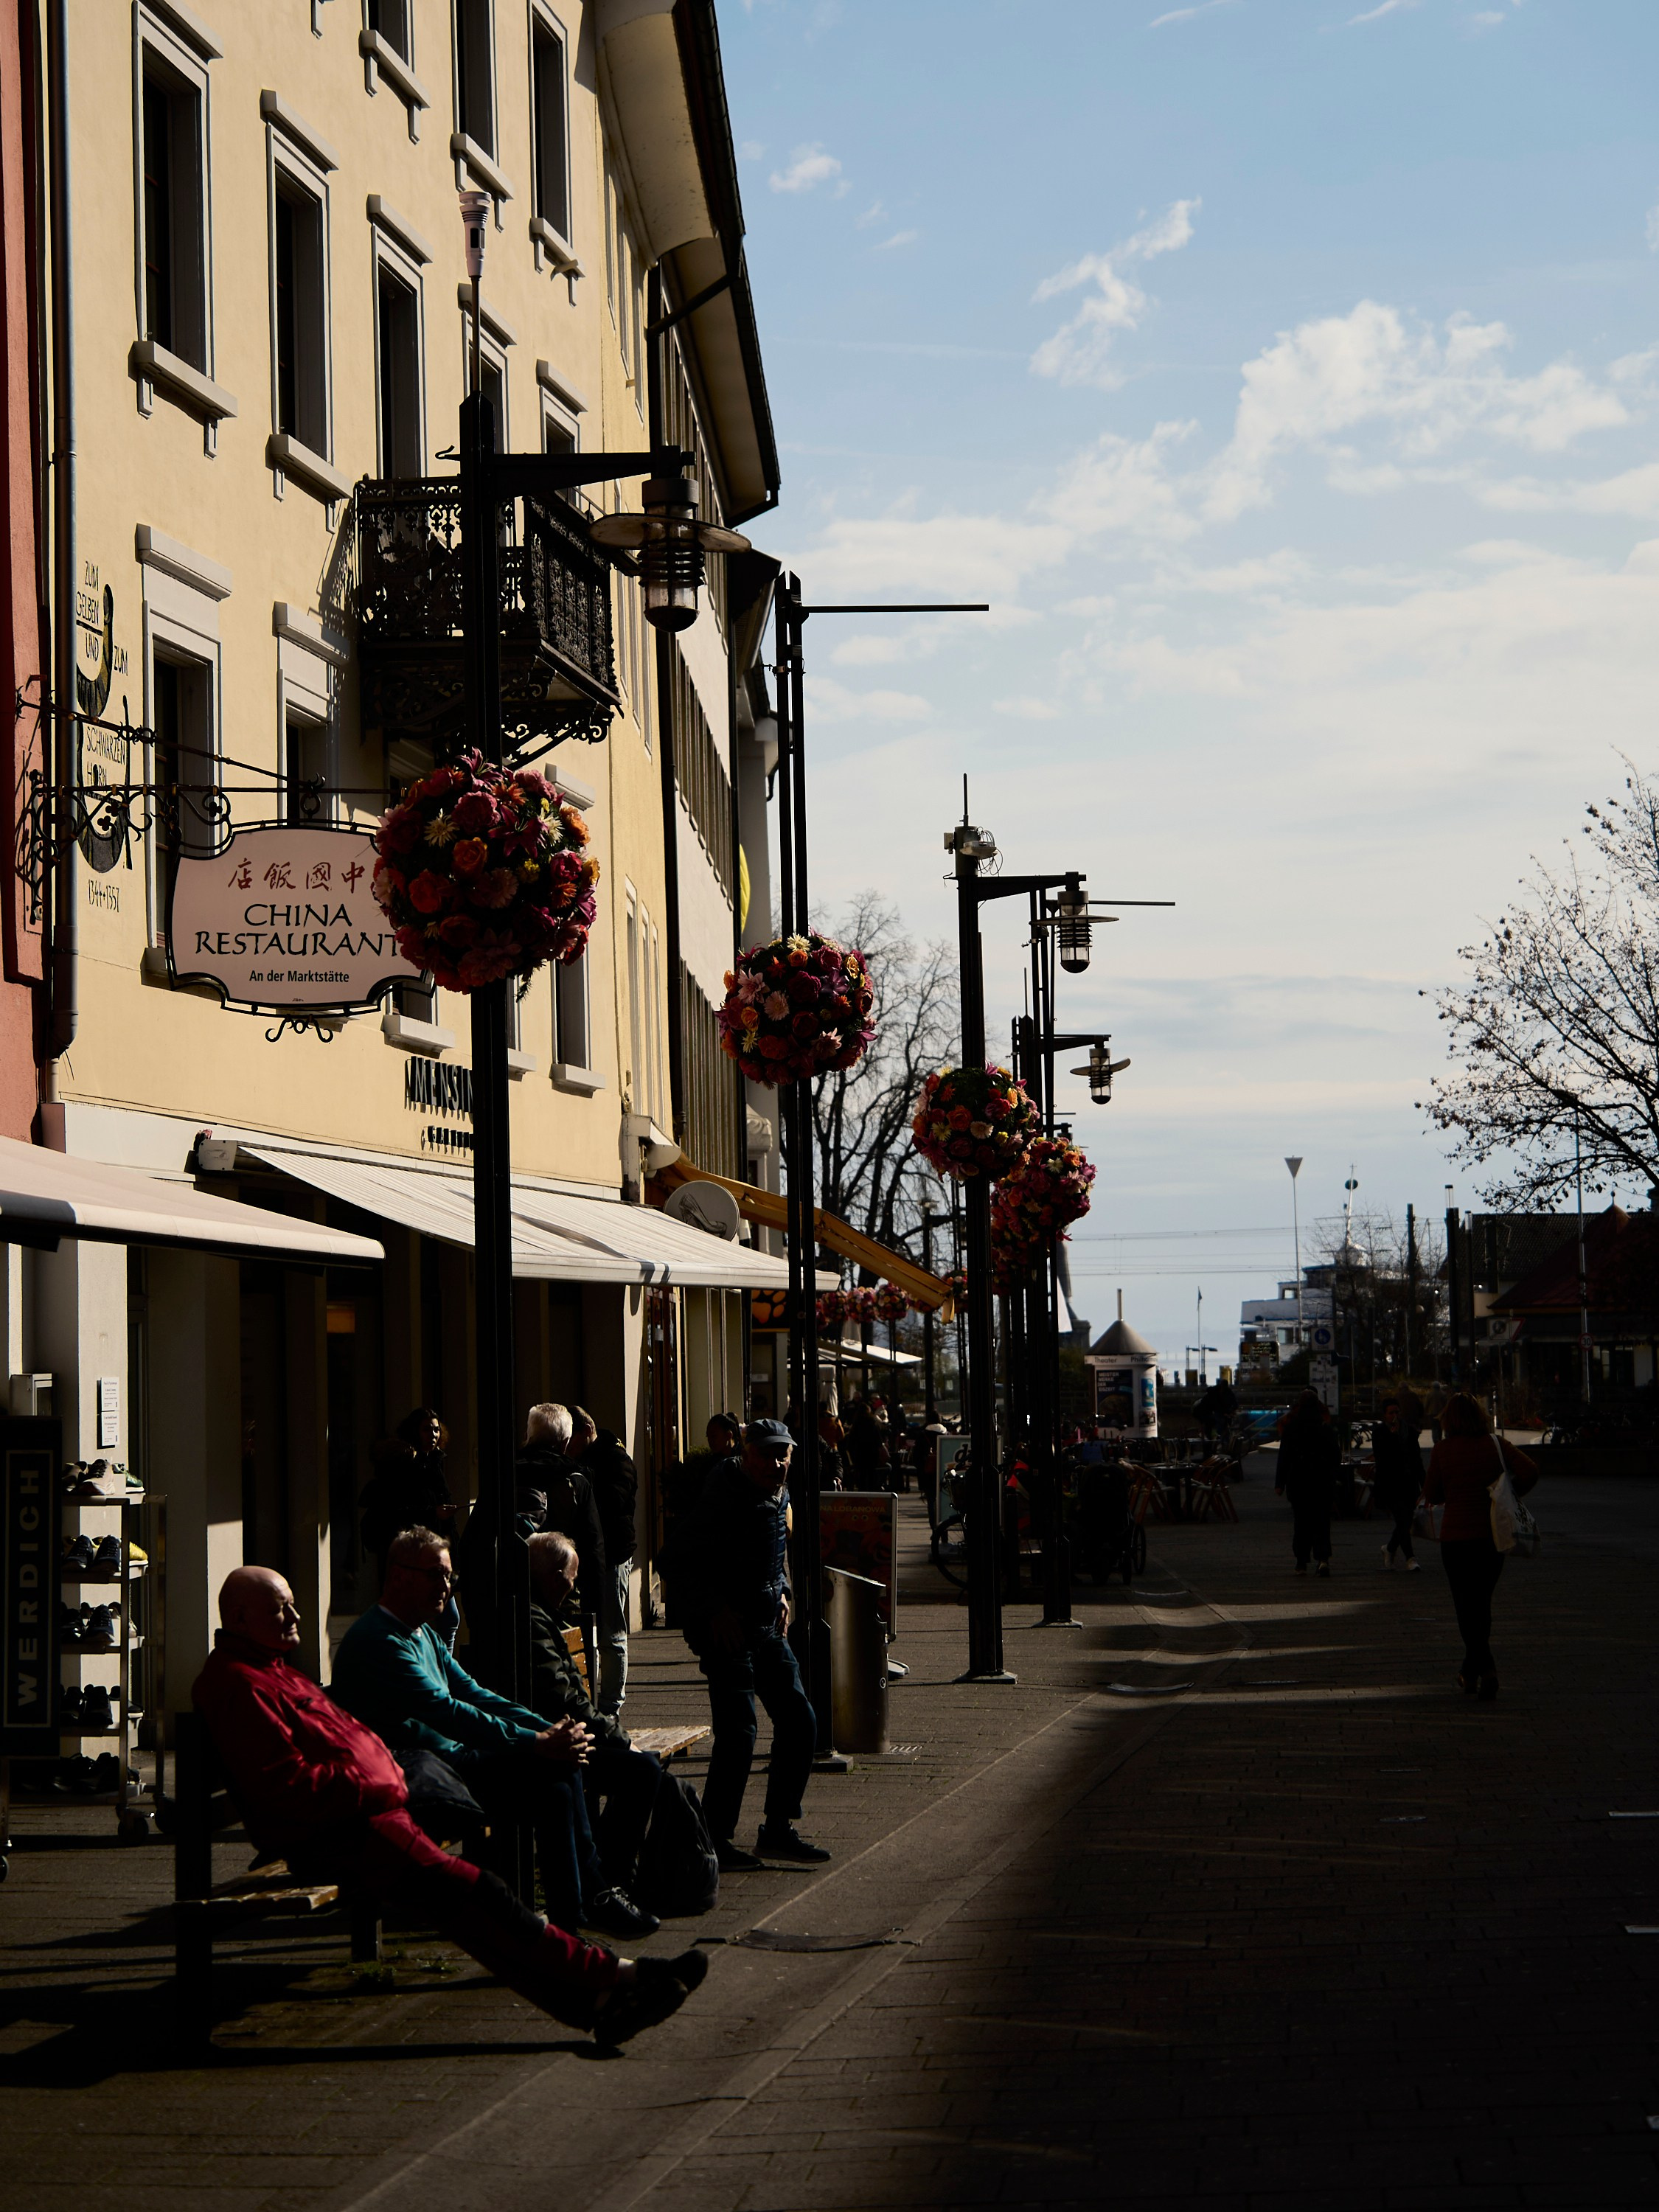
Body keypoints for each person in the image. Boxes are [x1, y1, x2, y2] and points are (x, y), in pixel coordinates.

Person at [192, 1565, 704, 2047]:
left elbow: (462, 1696)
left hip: (372, 1814)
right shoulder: (240, 1682)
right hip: (341, 1833)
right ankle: (620, 1974)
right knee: (479, 1896)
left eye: (292, 1605)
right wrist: (380, 1776)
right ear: (239, 1617)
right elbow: (286, 1785)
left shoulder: (276, 1668)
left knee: (472, 1905)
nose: (295, 1616)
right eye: (280, 1608)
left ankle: (597, 2002)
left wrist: (538, 1734)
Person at [330, 1526, 656, 1940]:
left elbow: (473, 1692)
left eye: (449, 1576)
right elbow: (447, 1712)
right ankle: (581, 1912)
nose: (446, 1586)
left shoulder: (422, 1631)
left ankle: (581, 1911)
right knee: (555, 1777)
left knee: (565, 1773)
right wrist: (537, 1742)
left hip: (450, 1763)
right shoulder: (380, 1639)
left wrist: (548, 1729)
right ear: (397, 1576)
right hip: (416, 1777)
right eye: (435, 1575)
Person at [675, 1416, 827, 1873]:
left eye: (784, 1455)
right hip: (728, 1632)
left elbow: (776, 1551)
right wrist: (715, 1610)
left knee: (800, 1720)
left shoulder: (779, 1493)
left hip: (766, 1626)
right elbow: (680, 1561)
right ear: (746, 1454)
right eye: (767, 1455)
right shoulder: (720, 1496)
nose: (777, 1464)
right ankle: (715, 1837)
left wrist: (782, 1592)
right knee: (739, 1733)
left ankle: (777, 1829)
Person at [526, 1530, 661, 1896]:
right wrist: (619, 1737)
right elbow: (565, 1699)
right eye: (572, 1579)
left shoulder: (541, 1614)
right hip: (555, 1738)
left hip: (565, 1730)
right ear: (555, 1578)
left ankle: (607, 1871)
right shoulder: (534, 1621)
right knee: (644, 1770)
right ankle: (613, 1878)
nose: (574, 1587)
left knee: (644, 1767)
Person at [1423, 1393, 1539, 1700]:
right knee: (1481, 1603)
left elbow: (1431, 1494)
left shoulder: (1442, 1450)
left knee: (1465, 1606)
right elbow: (1530, 1470)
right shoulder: (1496, 1444)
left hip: (1456, 1539)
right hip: (1491, 1537)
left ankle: (1485, 1670)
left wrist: (1453, 1492)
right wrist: (1509, 1492)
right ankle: (1470, 1672)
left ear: (1448, 1420)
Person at [570, 1407, 637, 1717]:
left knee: (611, 1632)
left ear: (586, 1431)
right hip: (590, 1555)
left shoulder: (615, 1460)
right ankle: (595, 1700)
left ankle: (610, 1706)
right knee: (592, 1630)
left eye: (571, 1438)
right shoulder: (586, 1459)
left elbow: (613, 1503)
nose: (567, 1445)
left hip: (612, 1555)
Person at [516, 1404, 608, 1618]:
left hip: (514, 1596)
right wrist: (596, 1612)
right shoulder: (575, 1482)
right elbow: (593, 1550)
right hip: (565, 1598)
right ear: (565, 1442)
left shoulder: (504, 1477)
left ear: (528, 1436)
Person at [1276, 1390, 1340, 1576]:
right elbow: (1335, 1456)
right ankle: (1323, 1558)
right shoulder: (1324, 1428)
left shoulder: (1292, 1428)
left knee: (1301, 1522)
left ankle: (1301, 1561)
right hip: (1321, 1481)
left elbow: (1284, 1457)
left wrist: (1280, 1483)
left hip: (1298, 1480)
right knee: (1322, 1522)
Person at [1371, 1399, 1424, 1572]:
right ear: (1385, 1415)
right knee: (1403, 1519)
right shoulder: (1380, 1433)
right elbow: (1382, 1458)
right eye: (1391, 1413)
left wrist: (1424, 1482)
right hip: (1391, 1484)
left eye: (1397, 1412)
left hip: (1409, 1483)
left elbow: (1416, 1459)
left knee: (1406, 1520)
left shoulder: (1409, 1431)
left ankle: (1390, 1548)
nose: (1395, 1416)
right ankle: (1410, 1557)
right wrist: (1393, 1438)